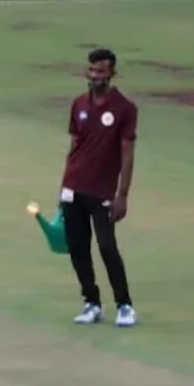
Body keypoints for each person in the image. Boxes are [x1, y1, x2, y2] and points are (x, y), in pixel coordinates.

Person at [60, 48, 138, 328]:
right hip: (74, 186)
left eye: (101, 72)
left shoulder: (125, 108)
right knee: (78, 248)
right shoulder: (79, 104)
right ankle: (91, 302)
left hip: (103, 191)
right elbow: (74, 148)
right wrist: (63, 187)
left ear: (112, 73)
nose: (95, 76)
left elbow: (128, 153)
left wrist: (123, 194)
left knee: (106, 246)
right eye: (92, 71)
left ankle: (125, 305)